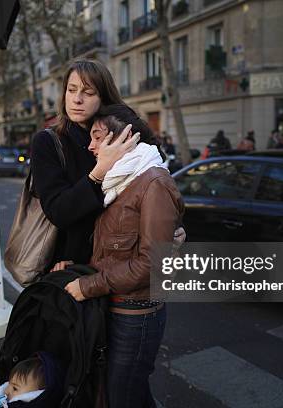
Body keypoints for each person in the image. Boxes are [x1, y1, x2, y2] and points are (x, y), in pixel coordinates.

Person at [63, 104, 184, 408]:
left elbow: (152, 264)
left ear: (125, 138)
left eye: (98, 137)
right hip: (113, 308)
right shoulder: (117, 182)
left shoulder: (153, 182)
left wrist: (87, 286)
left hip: (136, 316)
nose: (90, 145)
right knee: (124, 393)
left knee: (122, 396)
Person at [30, 59, 185, 272]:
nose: (77, 99)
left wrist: (173, 228)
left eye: (88, 92)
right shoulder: (48, 142)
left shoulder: (125, 128)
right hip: (75, 266)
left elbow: (156, 181)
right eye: (71, 90)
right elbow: (58, 212)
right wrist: (100, 171)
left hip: (129, 262)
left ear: (103, 96)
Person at [0, 353, 64, 408]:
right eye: (9, 384)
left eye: (15, 388)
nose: (6, 391)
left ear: (36, 394)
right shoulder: (0, 401)